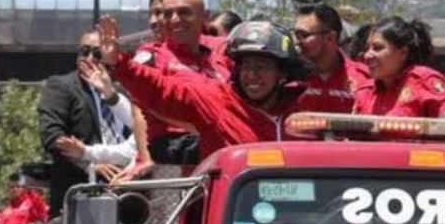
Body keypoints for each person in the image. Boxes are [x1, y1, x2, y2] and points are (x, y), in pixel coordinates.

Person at [100, 16, 305, 160]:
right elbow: (160, 89)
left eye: (261, 67)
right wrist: (119, 63)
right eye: (246, 67)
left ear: (281, 73)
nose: (252, 75)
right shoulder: (216, 101)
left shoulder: (302, 109)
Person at [38, 30, 141, 213]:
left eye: (97, 53)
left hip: (126, 193)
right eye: (84, 51)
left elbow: (139, 139)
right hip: (83, 195)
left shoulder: (121, 93)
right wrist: (91, 164)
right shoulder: (61, 86)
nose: (88, 57)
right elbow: (52, 137)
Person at [134, 0, 231, 166]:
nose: (175, 19)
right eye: (168, 14)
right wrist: (144, 158)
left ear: (205, 16)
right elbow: (143, 107)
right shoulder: (152, 56)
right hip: (177, 149)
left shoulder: (222, 49)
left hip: (226, 141)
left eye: (184, 12)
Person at [355, 17, 445, 118]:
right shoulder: (365, 92)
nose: (367, 55)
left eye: (377, 48)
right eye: (367, 48)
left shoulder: (424, 82)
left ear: (403, 53)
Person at [292, 3, 369, 114]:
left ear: (330, 38)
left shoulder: (365, 78)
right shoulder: (289, 77)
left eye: (304, 35)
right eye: (296, 35)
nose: (297, 41)